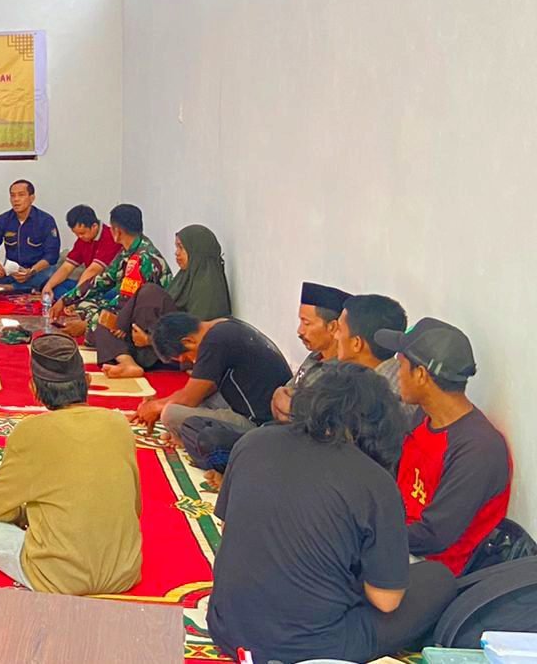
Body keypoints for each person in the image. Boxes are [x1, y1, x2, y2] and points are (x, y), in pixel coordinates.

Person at [207, 364, 456, 663]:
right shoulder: (374, 481)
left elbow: (228, 529)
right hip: (308, 647)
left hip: (226, 626)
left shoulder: (253, 441)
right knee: (438, 579)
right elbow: (386, 600)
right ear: (380, 423)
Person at [0, 335, 142, 595]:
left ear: (34, 389)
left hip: (56, 579)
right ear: (88, 381)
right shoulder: (119, 423)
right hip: (123, 573)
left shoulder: (29, 431)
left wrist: (29, 513)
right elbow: (135, 508)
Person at [383, 318, 513, 576]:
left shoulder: (477, 449)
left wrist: (368, 536)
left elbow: (434, 536)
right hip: (398, 539)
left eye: (401, 366)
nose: (397, 374)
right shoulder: (424, 417)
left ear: (420, 375)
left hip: (434, 571)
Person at [96, 224, 232, 377]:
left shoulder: (209, 287)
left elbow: (197, 340)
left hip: (174, 352)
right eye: (176, 247)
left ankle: (128, 349)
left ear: (196, 251)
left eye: (181, 248)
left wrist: (149, 339)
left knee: (150, 292)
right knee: (103, 325)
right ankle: (128, 363)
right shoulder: (183, 277)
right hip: (151, 340)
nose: (176, 253)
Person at [138, 312, 291, 439]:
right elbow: (204, 389)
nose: (190, 361)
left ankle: (188, 436)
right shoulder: (224, 325)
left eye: (186, 357)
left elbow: (188, 399)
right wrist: (159, 405)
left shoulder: (213, 342)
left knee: (170, 414)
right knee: (200, 399)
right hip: (263, 408)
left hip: (258, 424)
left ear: (188, 341)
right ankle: (187, 433)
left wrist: (156, 407)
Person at [51, 204, 171, 337]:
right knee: (85, 304)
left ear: (117, 231)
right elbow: (102, 280)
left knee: (101, 327)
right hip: (127, 308)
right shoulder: (128, 250)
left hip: (143, 320)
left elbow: (124, 304)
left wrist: (88, 325)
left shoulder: (141, 258)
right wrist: (65, 300)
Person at [271, 281, 351, 421]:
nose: (300, 331)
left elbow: (307, 420)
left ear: (332, 327)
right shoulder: (314, 356)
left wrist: (287, 404)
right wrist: (279, 396)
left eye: (307, 323)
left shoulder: (340, 373)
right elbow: (281, 396)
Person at [0, 179, 60, 290]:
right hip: (10, 272)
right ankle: (23, 287)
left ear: (32, 198)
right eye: (12, 196)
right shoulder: (3, 220)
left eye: (21, 195)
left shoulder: (45, 220)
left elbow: (52, 255)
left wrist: (31, 271)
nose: (16, 200)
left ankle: (9, 287)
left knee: (51, 272)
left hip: (35, 271)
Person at [42, 204, 120, 300]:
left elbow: (93, 270)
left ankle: (74, 302)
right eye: (76, 234)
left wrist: (75, 296)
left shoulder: (109, 237)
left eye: (82, 233)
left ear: (94, 226)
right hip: (88, 284)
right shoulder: (82, 240)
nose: (79, 237)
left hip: (107, 286)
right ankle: (73, 302)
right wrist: (48, 286)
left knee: (110, 295)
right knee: (54, 285)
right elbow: (67, 267)